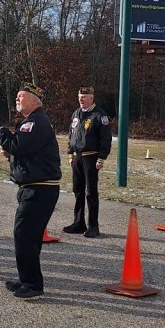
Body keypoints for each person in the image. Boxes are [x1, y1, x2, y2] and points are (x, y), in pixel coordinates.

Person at [0, 82, 61, 300]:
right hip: (37, 187)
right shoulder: (31, 122)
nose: (17, 98)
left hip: (39, 189)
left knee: (24, 234)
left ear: (35, 100)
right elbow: (25, 151)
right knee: (30, 236)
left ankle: (33, 284)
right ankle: (26, 278)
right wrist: (12, 152)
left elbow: (18, 146)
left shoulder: (35, 122)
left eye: (21, 95)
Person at [63, 86, 112, 238]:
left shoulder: (100, 115)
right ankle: (79, 223)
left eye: (84, 97)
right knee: (78, 191)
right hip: (77, 157)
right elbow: (71, 134)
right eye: (79, 97)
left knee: (91, 192)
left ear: (91, 98)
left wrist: (101, 158)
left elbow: (106, 139)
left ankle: (93, 225)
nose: (81, 100)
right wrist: (70, 153)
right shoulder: (76, 113)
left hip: (91, 158)